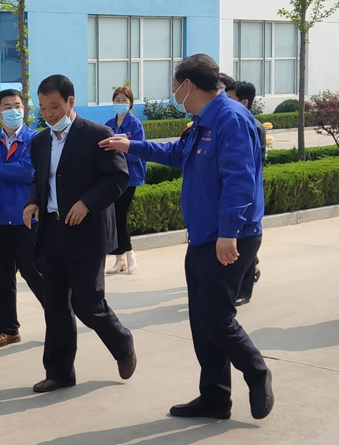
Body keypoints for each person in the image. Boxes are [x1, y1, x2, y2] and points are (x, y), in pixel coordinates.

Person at [101, 54, 274, 420]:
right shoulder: (202, 121)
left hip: (229, 237)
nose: (173, 92)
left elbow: (240, 180)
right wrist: (130, 146)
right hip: (202, 236)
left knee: (215, 318)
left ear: (189, 85)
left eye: (175, 86)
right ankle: (214, 398)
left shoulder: (230, 119)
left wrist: (228, 232)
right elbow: (178, 154)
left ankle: (257, 372)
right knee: (201, 321)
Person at [23, 75, 136, 393]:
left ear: (70, 102)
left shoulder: (98, 135)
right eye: (43, 108)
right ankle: (59, 372)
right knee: (55, 305)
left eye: (54, 107)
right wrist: (33, 201)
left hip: (87, 233)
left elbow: (118, 178)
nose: (49, 114)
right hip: (52, 232)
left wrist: (87, 203)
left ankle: (122, 342)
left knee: (88, 303)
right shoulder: (40, 142)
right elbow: (39, 179)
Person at [0, 89, 44, 348]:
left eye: (18, 106)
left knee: (33, 271)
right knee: (4, 277)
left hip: (28, 219)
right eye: (8, 107)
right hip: (2, 219)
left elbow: (28, 171)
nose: (14, 111)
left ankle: (60, 317)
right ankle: (8, 330)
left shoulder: (35, 139)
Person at [225, 80, 266, 306]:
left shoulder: (251, 126)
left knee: (246, 244)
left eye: (230, 98)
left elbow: (249, 167)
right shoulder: (231, 121)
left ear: (244, 102)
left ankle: (244, 290)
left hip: (248, 198)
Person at [105, 86, 147, 275]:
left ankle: (129, 253)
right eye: (117, 100)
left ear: (130, 103)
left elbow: (137, 152)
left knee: (120, 215)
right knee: (113, 216)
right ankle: (119, 258)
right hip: (113, 176)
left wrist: (119, 150)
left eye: (124, 100)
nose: (120, 103)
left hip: (130, 177)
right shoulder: (108, 125)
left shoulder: (135, 125)